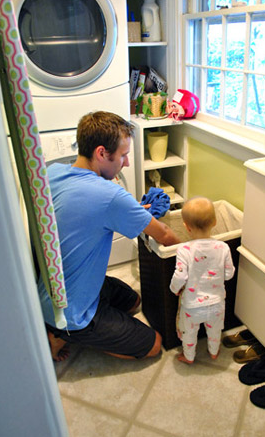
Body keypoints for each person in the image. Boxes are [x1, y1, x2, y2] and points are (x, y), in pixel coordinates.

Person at [40, 111, 181, 361]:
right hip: (71, 310)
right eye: (124, 155)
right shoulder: (110, 196)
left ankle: (68, 325)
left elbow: (88, 212)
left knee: (133, 301)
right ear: (102, 153)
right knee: (154, 346)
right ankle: (62, 334)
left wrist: (133, 210)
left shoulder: (52, 173)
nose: (126, 162)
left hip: (51, 291)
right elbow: (166, 235)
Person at [169, 197, 235, 364]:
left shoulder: (184, 249)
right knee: (215, 331)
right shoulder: (223, 247)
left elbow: (180, 275)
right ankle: (214, 351)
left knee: (189, 333)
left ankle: (189, 356)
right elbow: (229, 274)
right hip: (217, 303)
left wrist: (174, 288)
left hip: (192, 306)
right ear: (214, 222)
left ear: (186, 226)